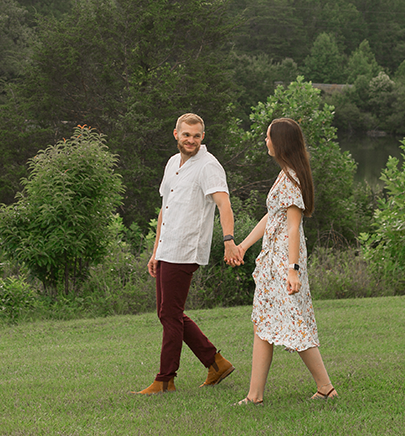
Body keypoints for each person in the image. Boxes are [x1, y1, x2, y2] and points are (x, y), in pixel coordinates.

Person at [134, 113, 242, 394]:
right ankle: (215, 362)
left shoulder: (208, 166)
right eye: (186, 135)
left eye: (196, 136)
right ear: (176, 135)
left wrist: (229, 240)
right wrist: (155, 250)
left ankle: (165, 379)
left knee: (169, 314)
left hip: (186, 249)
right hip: (167, 247)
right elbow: (165, 209)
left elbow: (224, 205)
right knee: (170, 313)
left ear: (202, 137)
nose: (191, 140)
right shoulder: (172, 163)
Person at [232, 117, 337, 405]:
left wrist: (293, 270)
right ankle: (256, 395)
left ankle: (325, 387)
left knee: (295, 323)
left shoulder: (291, 178)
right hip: (273, 258)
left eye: (268, 137)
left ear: (280, 142)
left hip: (283, 261)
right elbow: (272, 217)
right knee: (264, 323)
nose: (265, 141)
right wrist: (243, 245)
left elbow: (293, 226)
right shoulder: (285, 175)